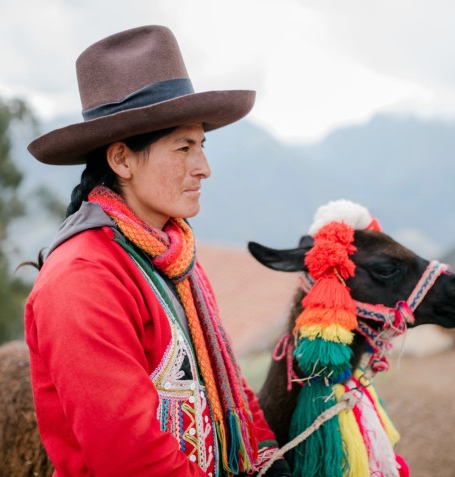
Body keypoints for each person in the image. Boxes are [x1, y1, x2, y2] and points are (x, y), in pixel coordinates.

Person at [24, 25, 292, 477]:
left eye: (202, 146)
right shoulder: (82, 281)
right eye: (184, 148)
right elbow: (130, 456)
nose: (203, 168)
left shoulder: (172, 253)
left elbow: (221, 377)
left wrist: (266, 454)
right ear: (122, 159)